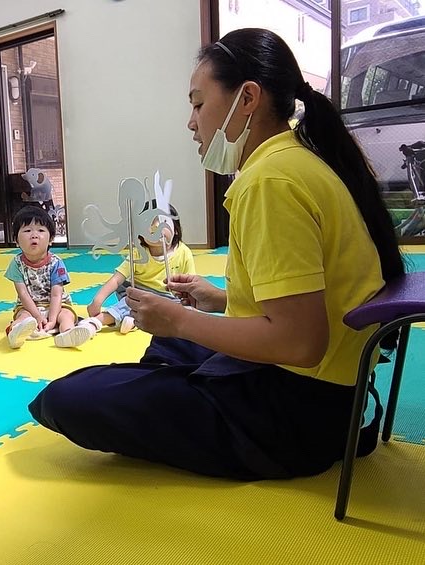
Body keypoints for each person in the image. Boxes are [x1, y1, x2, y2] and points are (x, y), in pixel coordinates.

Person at [29, 28, 405, 480]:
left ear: (247, 98)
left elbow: (302, 344)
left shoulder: (271, 182)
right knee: (168, 344)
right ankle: (171, 397)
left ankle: (176, 402)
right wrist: (221, 299)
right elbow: (317, 298)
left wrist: (179, 319)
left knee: (64, 398)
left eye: (198, 103)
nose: (191, 122)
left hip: (293, 413)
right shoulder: (298, 161)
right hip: (330, 394)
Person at [67, 203, 195, 347]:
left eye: (163, 221)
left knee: (177, 311)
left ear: (175, 230)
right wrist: (97, 301)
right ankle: (93, 323)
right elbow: (116, 279)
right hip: (140, 294)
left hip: (169, 297)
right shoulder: (138, 253)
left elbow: (191, 284)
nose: (156, 226)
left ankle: (134, 320)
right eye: (149, 223)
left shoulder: (183, 252)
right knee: (126, 304)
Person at [2, 206, 81, 349]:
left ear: (51, 239)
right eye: (27, 230)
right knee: (23, 317)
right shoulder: (16, 263)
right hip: (28, 306)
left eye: (40, 230)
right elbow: (23, 294)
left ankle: (68, 334)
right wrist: (37, 316)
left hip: (57, 305)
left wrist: (52, 320)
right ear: (16, 240)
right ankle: (15, 334)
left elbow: (56, 295)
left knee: (66, 315)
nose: (34, 235)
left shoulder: (56, 263)